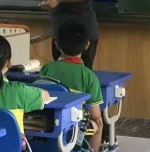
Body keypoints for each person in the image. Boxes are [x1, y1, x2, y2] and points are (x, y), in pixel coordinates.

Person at [40, 21, 103, 152]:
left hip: (46, 124)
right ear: (87, 45)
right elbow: (95, 114)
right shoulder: (89, 76)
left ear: (57, 44)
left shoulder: (46, 69)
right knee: (99, 124)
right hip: (75, 128)